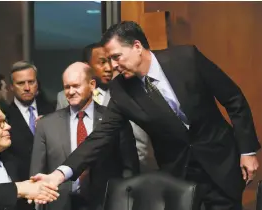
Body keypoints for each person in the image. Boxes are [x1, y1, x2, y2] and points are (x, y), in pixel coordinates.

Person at [32, 21, 260, 210]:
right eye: (109, 59)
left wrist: (247, 150)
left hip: (221, 160)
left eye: (116, 56)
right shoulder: (120, 90)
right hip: (178, 175)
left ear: (137, 46)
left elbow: (233, 99)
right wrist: (59, 175)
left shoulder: (186, 59)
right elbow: (99, 137)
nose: (112, 65)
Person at [30, 62, 139, 210]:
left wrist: (126, 203)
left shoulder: (114, 119)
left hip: (106, 203)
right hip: (60, 204)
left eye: (76, 86)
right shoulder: (46, 124)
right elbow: (37, 173)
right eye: (67, 87)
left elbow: (129, 167)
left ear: (92, 85)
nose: (70, 91)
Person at [56, 43, 156, 172]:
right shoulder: (65, 97)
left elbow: (139, 145)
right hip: (75, 175)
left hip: (117, 176)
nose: (109, 68)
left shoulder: (127, 95)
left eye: (111, 61)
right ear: (87, 66)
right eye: (102, 62)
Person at [7, 61, 55, 182]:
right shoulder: (4, 116)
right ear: (11, 87)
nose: (27, 88)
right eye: (21, 83)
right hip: (22, 184)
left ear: (37, 84)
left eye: (31, 82)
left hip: (53, 182)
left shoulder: (53, 110)